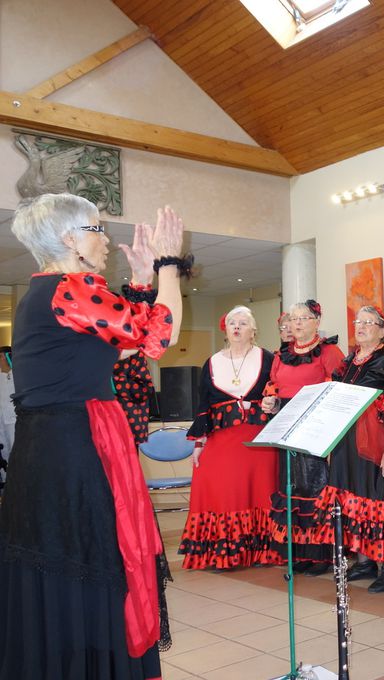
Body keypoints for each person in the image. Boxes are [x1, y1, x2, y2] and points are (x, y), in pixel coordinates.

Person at [1, 193, 185, 679]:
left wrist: (142, 282)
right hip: (75, 451)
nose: (105, 239)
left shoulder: (49, 293)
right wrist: (168, 265)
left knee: (67, 566)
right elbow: (159, 338)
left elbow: (119, 349)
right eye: (96, 229)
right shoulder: (67, 288)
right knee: (94, 559)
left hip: (52, 450)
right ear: (69, 240)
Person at [318, 306, 384, 593]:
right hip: (347, 441)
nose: (360, 326)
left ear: (383, 330)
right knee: (351, 496)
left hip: (375, 442)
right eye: (357, 321)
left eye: (367, 322)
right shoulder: (348, 361)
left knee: (377, 498)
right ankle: (364, 560)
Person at [178, 305, 280, 571]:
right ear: (225, 328)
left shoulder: (268, 359)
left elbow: (279, 393)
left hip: (258, 440)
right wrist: (199, 444)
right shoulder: (212, 362)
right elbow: (203, 406)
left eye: (243, 323)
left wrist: (274, 402)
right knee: (224, 492)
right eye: (232, 322)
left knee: (260, 492)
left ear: (253, 330)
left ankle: (262, 552)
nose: (236, 327)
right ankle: (225, 553)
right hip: (222, 439)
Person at [261, 300, 345, 576]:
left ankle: (320, 555)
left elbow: (338, 391)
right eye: (293, 318)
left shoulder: (330, 352)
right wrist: (271, 403)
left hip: (315, 425)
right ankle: (298, 551)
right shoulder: (281, 354)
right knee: (292, 486)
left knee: (315, 486)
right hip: (286, 424)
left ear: (317, 321)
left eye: (304, 318)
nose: (297, 323)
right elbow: (275, 388)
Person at [0, 347, 14, 489]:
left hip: (13, 421)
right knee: (2, 454)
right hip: (1, 422)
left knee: (14, 452)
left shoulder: (16, 375)